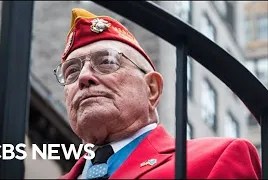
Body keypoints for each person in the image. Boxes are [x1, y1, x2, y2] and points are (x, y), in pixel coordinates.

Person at [53, 8, 262, 179]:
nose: (84, 77)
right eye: (71, 71)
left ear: (151, 89)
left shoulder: (216, 159)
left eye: (107, 62)